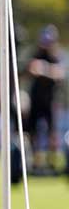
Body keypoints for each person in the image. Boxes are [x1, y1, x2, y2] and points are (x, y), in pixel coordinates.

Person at [26, 24, 64, 174]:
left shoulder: (57, 56)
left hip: (51, 100)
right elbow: (28, 69)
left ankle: (52, 162)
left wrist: (43, 69)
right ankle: (36, 162)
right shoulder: (36, 54)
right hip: (36, 99)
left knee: (52, 132)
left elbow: (60, 73)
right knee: (33, 132)